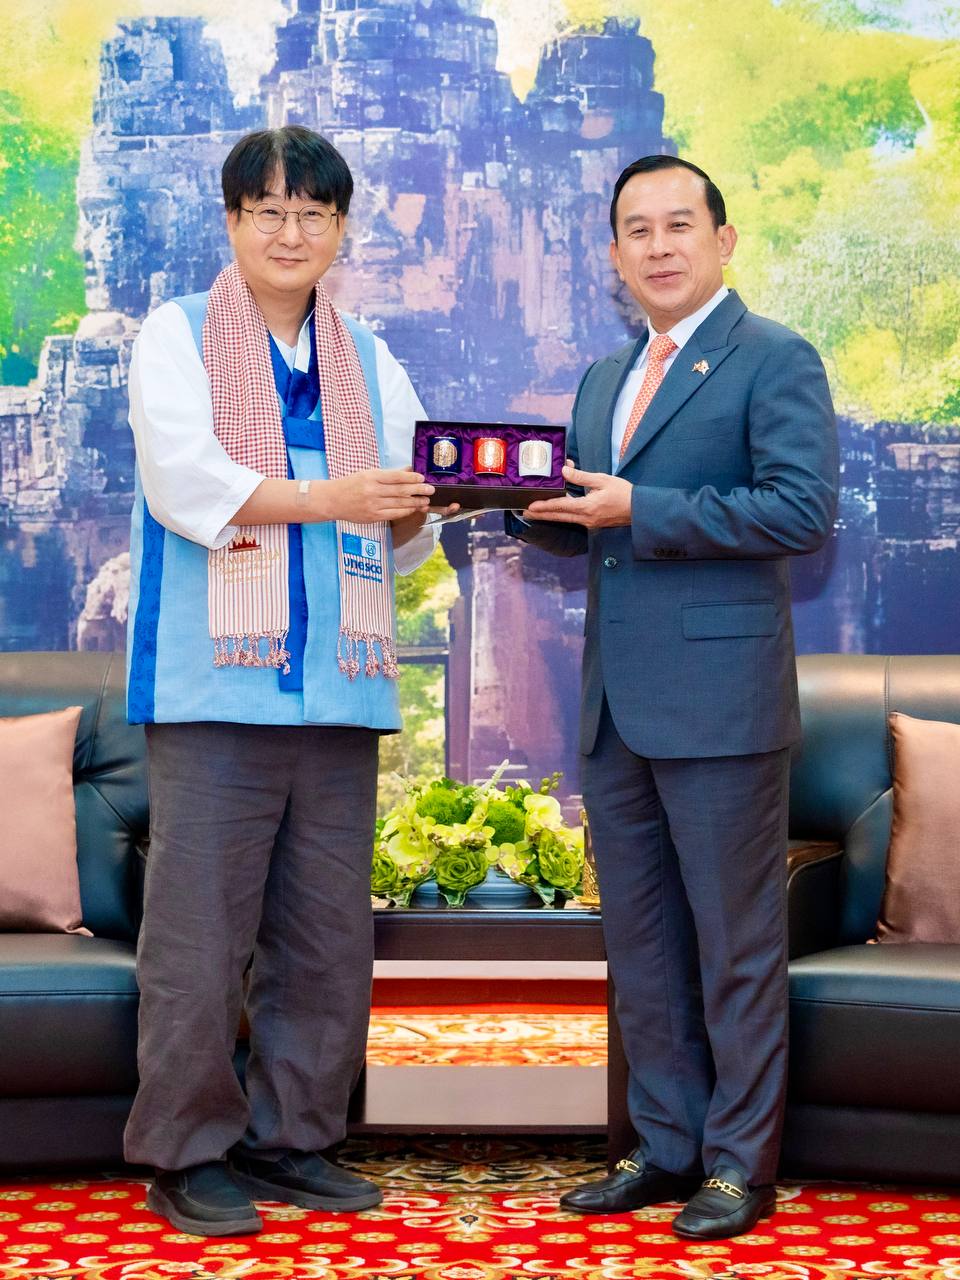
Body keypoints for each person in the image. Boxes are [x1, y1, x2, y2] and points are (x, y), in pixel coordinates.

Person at [124, 125, 451, 1236]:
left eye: (313, 213)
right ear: (231, 221)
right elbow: (185, 485)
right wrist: (337, 497)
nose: (290, 231)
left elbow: (402, 515)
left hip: (340, 688)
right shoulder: (175, 335)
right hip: (217, 687)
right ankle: (186, 1152)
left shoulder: (368, 356)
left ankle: (293, 1139)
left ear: (341, 229)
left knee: (324, 941)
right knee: (199, 943)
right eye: (267, 210)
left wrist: (423, 501)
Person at [506, 155, 837, 1241]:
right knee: (644, 943)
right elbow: (594, 521)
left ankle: (739, 1163)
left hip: (722, 705)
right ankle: (664, 1144)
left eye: (678, 224)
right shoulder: (605, 379)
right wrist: (520, 505)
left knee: (735, 945)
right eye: (636, 230)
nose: (658, 246)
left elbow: (799, 511)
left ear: (723, 239)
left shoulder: (774, 357)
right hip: (617, 707)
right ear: (614, 255)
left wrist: (640, 507)